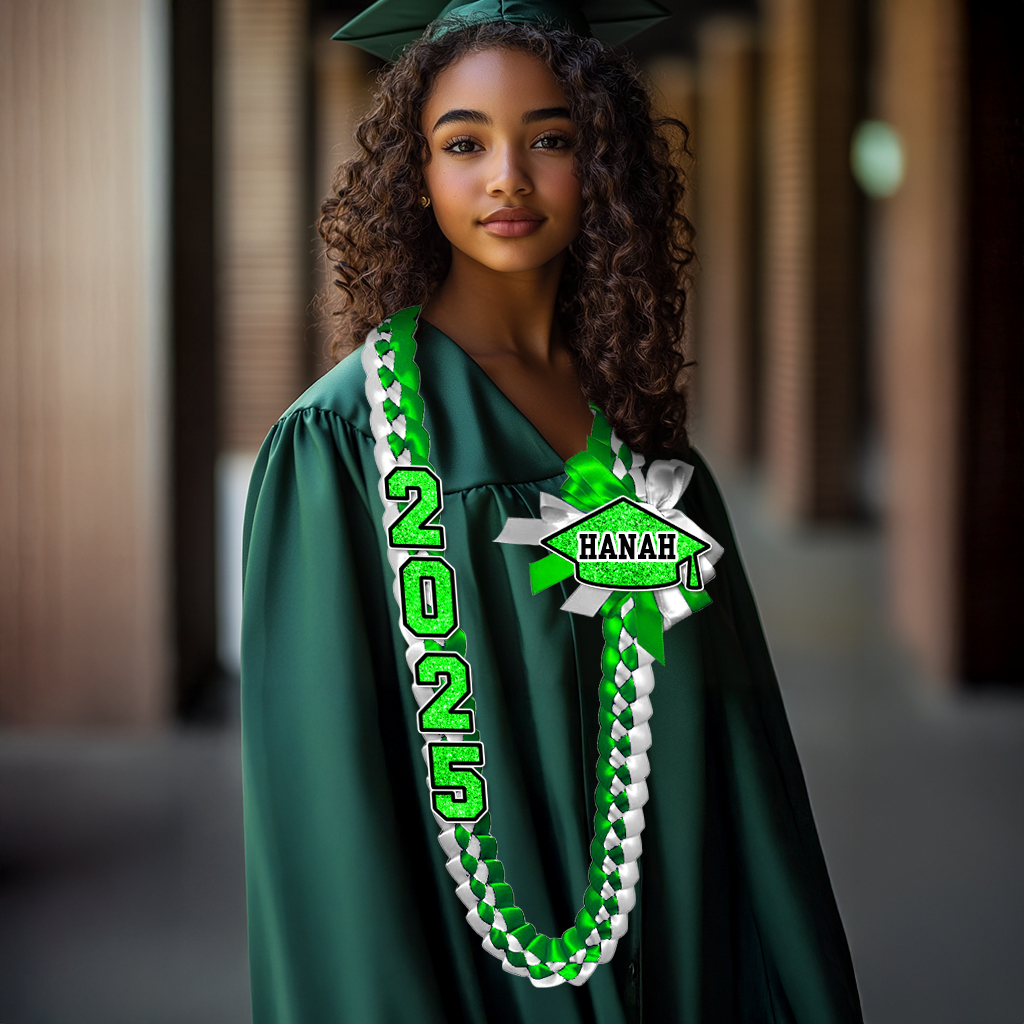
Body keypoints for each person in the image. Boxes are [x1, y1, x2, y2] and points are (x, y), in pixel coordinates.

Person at [240, 2, 863, 1021]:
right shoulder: (344, 449)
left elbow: (737, 753)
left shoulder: (649, 450)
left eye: (552, 139)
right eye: (463, 143)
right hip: (473, 978)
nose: (507, 179)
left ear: (604, 167)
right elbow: (328, 831)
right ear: (415, 176)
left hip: (675, 952)